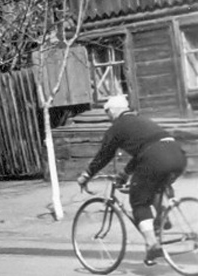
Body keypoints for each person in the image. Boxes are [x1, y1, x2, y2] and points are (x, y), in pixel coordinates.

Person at [76, 95, 188, 265]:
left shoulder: (117, 127)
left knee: (138, 200)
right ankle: (161, 218)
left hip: (155, 159)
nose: (108, 116)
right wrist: (125, 174)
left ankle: (152, 243)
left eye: (107, 112)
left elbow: (104, 155)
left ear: (113, 110)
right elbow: (144, 151)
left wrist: (86, 175)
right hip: (177, 156)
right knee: (153, 187)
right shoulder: (141, 121)